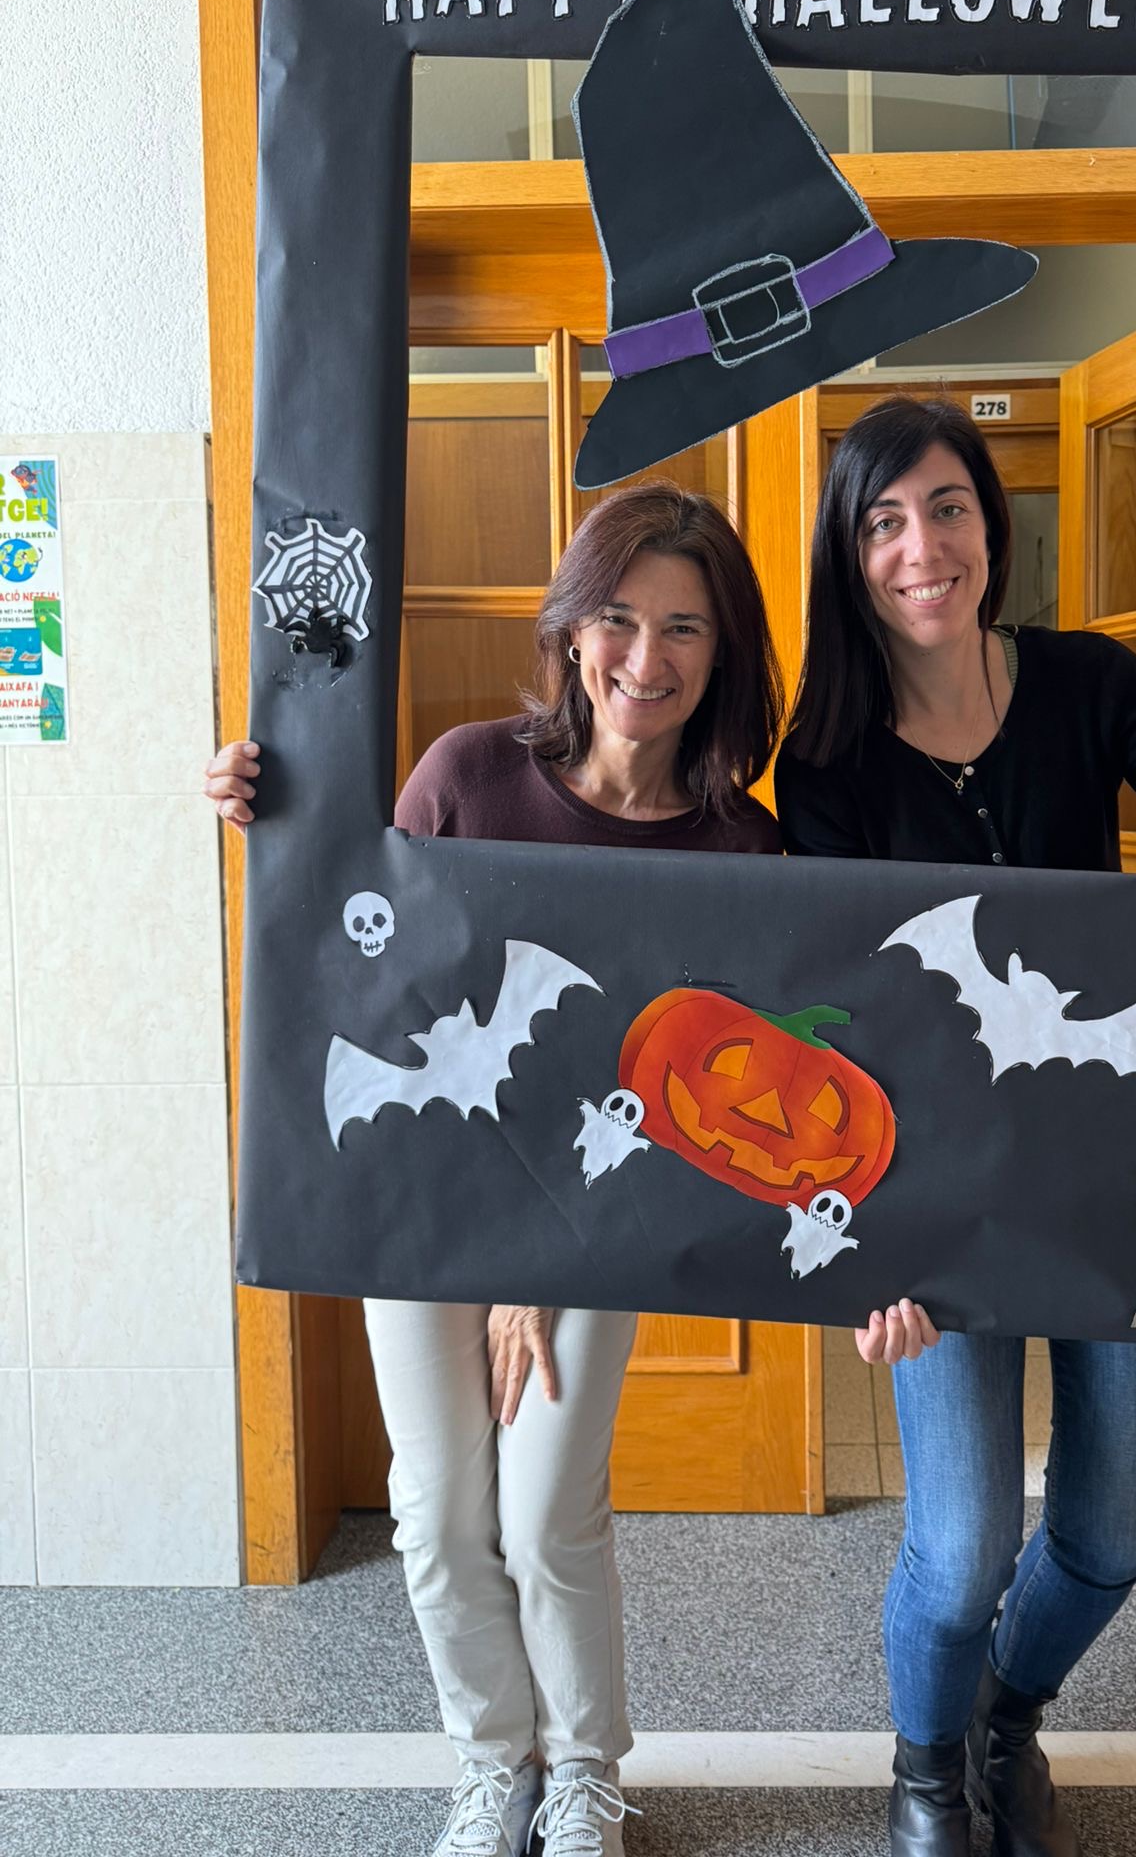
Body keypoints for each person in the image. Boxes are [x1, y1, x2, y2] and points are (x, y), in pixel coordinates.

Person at [773, 395, 1136, 1857]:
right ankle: (928, 1768)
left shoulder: (1091, 683)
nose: (924, 546)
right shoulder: (828, 758)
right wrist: (867, 1253)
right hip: (936, 1202)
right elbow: (828, 1028)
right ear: (850, 554)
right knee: (963, 1543)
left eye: (948, 506)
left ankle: (1004, 1717)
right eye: (884, 520)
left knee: (1114, 1531)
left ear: (992, 522)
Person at [206, 485, 784, 1857]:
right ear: (573, 629)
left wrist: (536, 1263)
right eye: (619, 619)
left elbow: (694, 1100)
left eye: (686, 628)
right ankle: (490, 1761)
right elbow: (363, 961)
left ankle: (581, 1769)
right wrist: (264, 822)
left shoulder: (742, 844)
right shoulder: (470, 776)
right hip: (423, 1196)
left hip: (600, 1211)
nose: (646, 658)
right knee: (436, 1511)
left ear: (723, 653)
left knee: (545, 1510)